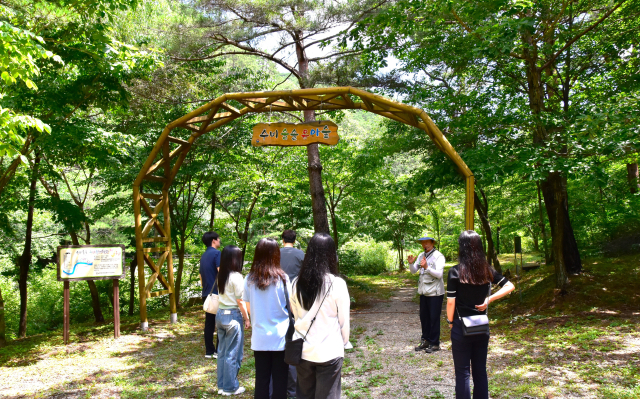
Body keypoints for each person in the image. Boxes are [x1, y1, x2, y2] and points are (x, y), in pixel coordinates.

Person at [446, 230, 515, 399]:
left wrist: (449, 321)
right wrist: (488, 300)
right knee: (480, 371)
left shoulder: (455, 272)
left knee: (462, 373)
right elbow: (509, 286)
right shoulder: (487, 270)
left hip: (461, 327)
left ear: (461, 248)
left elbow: (450, 302)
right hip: (482, 327)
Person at [290, 233, 351, 399]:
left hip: (302, 349)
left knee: (304, 394)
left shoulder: (296, 283)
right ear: (331, 254)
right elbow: (344, 321)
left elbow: (296, 316)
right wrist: (344, 342)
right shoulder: (337, 283)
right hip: (329, 350)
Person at [243, 238, 291, 399]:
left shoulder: (249, 279)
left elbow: (249, 309)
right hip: (280, 337)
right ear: (276, 254)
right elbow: (290, 307)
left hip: (260, 337)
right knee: (280, 381)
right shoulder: (283, 278)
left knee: (261, 380)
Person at [216, 245, 251, 396]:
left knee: (222, 352)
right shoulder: (236, 276)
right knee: (233, 353)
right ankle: (231, 387)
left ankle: (222, 385)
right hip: (233, 317)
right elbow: (241, 301)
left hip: (220, 314)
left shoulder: (221, 275)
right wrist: (247, 318)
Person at [407, 236, 446, 353]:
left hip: (435, 292)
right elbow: (414, 271)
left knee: (434, 318)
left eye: (427, 243)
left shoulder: (439, 256)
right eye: (423, 243)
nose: (425, 245)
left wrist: (427, 267)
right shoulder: (420, 255)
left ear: (432, 243)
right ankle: (426, 340)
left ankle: (435, 343)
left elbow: (439, 274)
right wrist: (411, 264)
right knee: (424, 317)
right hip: (424, 291)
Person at [279, 229, 304, 398]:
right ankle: (295, 387)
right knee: (294, 341)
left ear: (282, 240)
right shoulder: (301, 255)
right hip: (297, 300)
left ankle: (282, 384)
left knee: (282, 344)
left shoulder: (275, 254)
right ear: (295, 240)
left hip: (277, 299)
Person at [200, 231, 221, 359]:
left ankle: (209, 351)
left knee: (209, 323)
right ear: (214, 240)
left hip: (206, 293)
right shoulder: (217, 254)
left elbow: (201, 276)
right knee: (220, 323)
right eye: (218, 239)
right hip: (217, 293)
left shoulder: (203, 256)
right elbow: (221, 272)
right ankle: (219, 350)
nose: (219, 241)